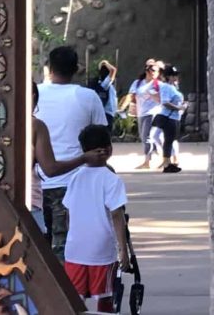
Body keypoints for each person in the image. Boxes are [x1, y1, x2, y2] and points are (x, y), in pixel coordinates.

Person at [36, 46, 108, 261]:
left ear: (48, 67)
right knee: (64, 246)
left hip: (34, 184)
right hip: (72, 183)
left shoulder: (33, 94)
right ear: (76, 69)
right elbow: (101, 137)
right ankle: (64, 293)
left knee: (37, 248)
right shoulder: (87, 97)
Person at [62, 124, 131, 312]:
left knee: (75, 300)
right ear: (108, 149)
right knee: (106, 298)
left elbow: (68, 214)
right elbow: (117, 215)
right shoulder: (112, 179)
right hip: (102, 251)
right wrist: (123, 251)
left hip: (75, 248)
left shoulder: (75, 178)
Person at [32, 83, 109, 231]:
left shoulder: (2, 126)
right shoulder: (35, 126)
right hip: (65, 184)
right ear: (33, 96)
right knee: (61, 245)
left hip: (11, 201)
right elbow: (50, 168)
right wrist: (84, 158)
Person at [150, 65, 186, 174]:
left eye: (175, 75)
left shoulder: (173, 87)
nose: (175, 77)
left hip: (174, 117)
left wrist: (182, 106)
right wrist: (178, 107)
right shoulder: (166, 87)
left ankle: (168, 162)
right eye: (173, 75)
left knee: (170, 140)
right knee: (168, 140)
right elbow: (165, 102)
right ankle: (166, 163)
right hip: (168, 117)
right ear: (168, 77)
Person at [128, 60, 162, 169]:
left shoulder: (158, 84)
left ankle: (147, 161)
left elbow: (162, 99)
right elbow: (132, 95)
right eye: (152, 71)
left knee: (146, 136)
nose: (154, 73)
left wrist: (155, 95)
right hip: (141, 113)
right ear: (147, 71)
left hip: (152, 113)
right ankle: (164, 153)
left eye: (156, 71)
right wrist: (131, 106)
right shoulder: (138, 83)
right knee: (143, 137)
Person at [90, 61, 118, 132]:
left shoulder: (107, 85)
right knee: (106, 138)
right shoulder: (105, 84)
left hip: (108, 114)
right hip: (106, 114)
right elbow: (113, 70)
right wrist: (105, 63)